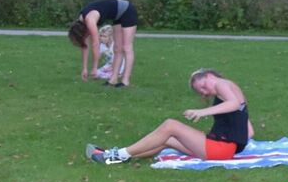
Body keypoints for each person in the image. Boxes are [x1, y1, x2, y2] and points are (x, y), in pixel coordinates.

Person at [85, 68, 253, 164]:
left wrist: (202, 112)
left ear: (210, 76)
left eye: (203, 86)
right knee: (167, 140)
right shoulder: (231, 90)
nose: (204, 92)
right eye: (200, 91)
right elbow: (249, 131)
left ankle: (116, 154)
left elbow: (233, 104)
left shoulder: (221, 83)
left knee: (170, 125)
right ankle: (118, 157)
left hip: (220, 149)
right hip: (221, 149)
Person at [68, 0, 139, 86]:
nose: (87, 36)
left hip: (127, 10)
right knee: (117, 48)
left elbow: (95, 44)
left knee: (127, 47)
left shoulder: (89, 20)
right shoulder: (81, 23)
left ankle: (125, 81)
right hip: (117, 16)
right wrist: (84, 68)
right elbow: (84, 45)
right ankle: (113, 79)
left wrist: (95, 68)